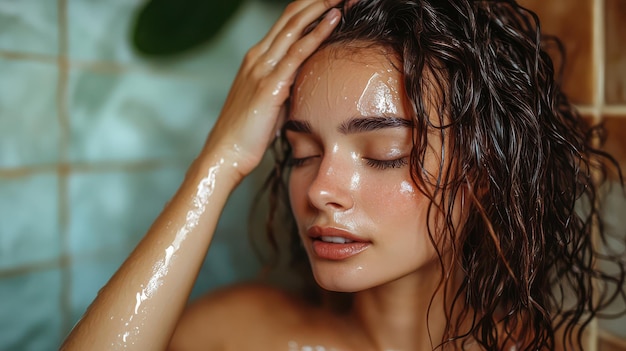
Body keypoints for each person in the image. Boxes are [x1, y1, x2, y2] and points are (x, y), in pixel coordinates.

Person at [60, 0, 626, 350]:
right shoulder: (235, 337)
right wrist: (220, 162)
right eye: (302, 152)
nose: (320, 190)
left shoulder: (528, 346)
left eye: (384, 152)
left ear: (485, 171)